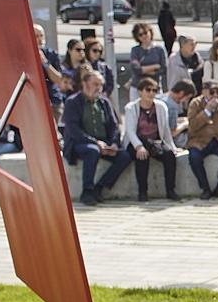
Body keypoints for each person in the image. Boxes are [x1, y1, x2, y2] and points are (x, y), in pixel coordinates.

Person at [62, 67, 129, 205]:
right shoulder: (72, 102)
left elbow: (114, 126)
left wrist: (114, 143)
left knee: (125, 156)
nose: (99, 88)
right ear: (85, 84)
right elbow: (74, 130)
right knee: (92, 151)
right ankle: (87, 191)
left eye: (101, 85)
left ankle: (99, 188)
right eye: (95, 84)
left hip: (103, 143)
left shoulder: (104, 102)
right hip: (80, 143)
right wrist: (96, 142)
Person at [120, 76, 182, 201]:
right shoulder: (131, 108)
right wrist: (139, 146)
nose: (151, 93)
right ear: (140, 92)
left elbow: (165, 130)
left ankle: (171, 190)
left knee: (169, 155)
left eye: (155, 90)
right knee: (142, 156)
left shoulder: (161, 106)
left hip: (154, 142)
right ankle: (143, 192)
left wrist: (172, 146)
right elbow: (130, 131)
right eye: (148, 90)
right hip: (136, 143)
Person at [126, 21, 167, 94]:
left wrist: (145, 70)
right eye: (140, 34)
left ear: (150, 32)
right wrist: (155, 66)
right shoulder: (135, 50)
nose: (144, 36)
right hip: (137, 88)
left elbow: (163, 69)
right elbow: (136, 70)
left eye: (145, 33)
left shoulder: (159, 49)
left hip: (155, 87)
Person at [165, 34, 204, 101]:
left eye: (195, 44)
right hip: (181, 95)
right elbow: (173, 79)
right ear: (182, 45)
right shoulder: (174, 59)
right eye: (191, 44)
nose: (194, 46)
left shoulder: (197, 57)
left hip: (196, 93)